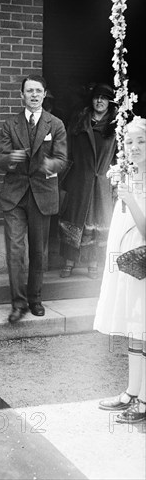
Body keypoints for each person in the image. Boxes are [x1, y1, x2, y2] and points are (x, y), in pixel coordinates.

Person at [0, 74, 67, 323]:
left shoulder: (55, 124)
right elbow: (0, 159)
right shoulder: (10, 124)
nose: (34, 95)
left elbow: (62, 158)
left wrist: (51, 165)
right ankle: (18, 304)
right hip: (15, 195)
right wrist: (11, 158)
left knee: (38, 251)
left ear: (44, 94)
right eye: (29, 91)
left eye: (38, 90)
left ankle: (35, 298)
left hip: (42, 194)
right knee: (15, 251)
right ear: (22, 95)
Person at [94, 116, 146, 424]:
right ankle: (131, 391)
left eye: (141, 141)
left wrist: (132, 201)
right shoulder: (130, 174)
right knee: (134, 329)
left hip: (143, 264)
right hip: (129, 264)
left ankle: (144, 401)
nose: (135, 147)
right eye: (129, 142)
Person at [58, 83, 118, 279]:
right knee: (74, 222)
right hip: (79, 180)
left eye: (104, 98)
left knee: (97, 223)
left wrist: (115, 180)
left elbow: (120, 159)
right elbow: (66, 150)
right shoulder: (79, 121)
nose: (99, 101)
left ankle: (93, 264)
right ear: (91, 100)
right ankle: (69, 262)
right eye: (96, 97)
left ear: (110, 102)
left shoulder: (116, 126)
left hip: (102, 183)